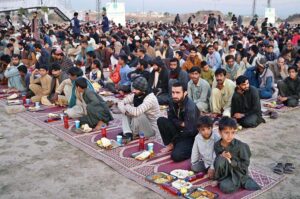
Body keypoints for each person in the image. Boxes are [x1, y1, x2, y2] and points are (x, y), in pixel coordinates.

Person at [214, 117, 261, 194]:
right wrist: (222, 155)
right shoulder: (217, 145)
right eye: (226, 132)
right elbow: (218, 163)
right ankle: (223, 179)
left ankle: (239, 182)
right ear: (219, 132)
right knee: (219, 159)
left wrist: (232, 160)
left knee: (224, 187)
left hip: (238, 173)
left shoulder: (241, 146)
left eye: (233, 132)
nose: (230, 136)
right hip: (225, 172)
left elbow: (245, 165)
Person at [157, 82, 199, 162]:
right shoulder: (172, 101)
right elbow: (170, 118)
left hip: (190, 136)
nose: (175, 95)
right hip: (180, 129)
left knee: (176, 156)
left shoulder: (190, 107)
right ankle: (172, 144)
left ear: (185, 93)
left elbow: (190, 131)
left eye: (178, 92)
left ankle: (185, 146)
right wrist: (180, 123)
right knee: (161, 121)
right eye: (173, 92)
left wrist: (179, 125)